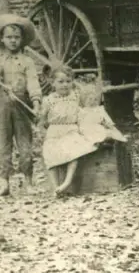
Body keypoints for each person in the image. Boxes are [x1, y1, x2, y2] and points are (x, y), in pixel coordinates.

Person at [0, 13, 43, 196]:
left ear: (22, 40)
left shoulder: (27, 62)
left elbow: (33, 83)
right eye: (9, 37)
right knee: (4, 145)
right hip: (3, 107)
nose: (13, 41)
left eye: (16, 37)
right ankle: (4, 182)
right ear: (2, 39)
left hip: (21, 106)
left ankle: (28, 181)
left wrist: (36, 102)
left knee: (25, 145)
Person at [38, 66, 98, 196]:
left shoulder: (75, 96)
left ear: (72, 82)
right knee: (49, 154)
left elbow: (84, 111)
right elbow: (42, 121)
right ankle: (56, 188)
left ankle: (67, 181)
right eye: (60, 82)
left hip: (71, 129)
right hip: (54, 131)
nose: (65, 85)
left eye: (68, 81)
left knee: (74, 150)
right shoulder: (48, 100)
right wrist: (44, 132)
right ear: (52, 83)